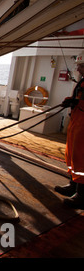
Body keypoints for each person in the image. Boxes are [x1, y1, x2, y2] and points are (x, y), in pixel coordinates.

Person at [55, 52, 84, 209]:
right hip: (77, 124)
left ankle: (82, 196)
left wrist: (77, 101)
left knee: (81, 160)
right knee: (72, 157)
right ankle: (73, 185)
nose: (78, 69)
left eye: (80, 66)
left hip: (83, 127)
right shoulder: (82, 82)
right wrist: (72, 101)